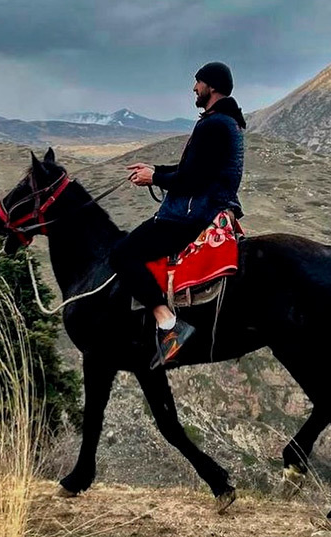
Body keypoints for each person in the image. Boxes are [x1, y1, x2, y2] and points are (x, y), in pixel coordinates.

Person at [109, 61, 246, 368]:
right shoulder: (226, 122)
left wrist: (153, 179)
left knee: (122, 254)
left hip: (190, 215)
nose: (194, 89)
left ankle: (167, 320)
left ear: (210, 86)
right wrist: (155, 170)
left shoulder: (214, 125)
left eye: (197, 83)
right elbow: (193, 170)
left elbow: (194, 180)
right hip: (206, 207)